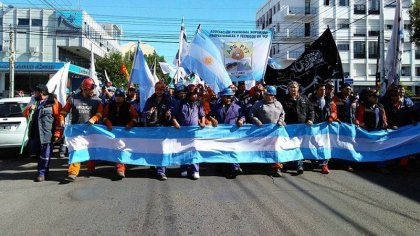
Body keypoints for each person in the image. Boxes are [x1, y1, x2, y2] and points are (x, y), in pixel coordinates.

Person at [60, 78, 103, 182]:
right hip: (76, 130)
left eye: (93, 89)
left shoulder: (97, 100)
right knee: (76, 150)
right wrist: (62, 120)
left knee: (90, 150)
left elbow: (100, 113)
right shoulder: (73, 99)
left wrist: (94, 118)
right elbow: (64, 112)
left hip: (91, 131)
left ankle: (91, 168)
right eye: (91, 89)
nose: (93, 91)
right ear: (84, 89)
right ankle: (73, 172)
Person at [23, 84, 62, 182]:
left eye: (35, 91)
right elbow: (24, 113)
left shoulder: (54, 103)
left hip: (47, 135)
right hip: (34, 135)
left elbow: (59, 119)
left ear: (41, 92)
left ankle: (42, 173)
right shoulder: (34, 101)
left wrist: (57, 133)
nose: (33, 93)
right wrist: (29, 109)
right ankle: (42, 171)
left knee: (45, 155)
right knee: (36, 154)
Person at [249, 85, 286, 177]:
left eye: (268, 94)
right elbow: (251, 113)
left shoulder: (278, 104)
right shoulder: (259, 104)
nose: (265, 95)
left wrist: (281, 121)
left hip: (275, 131)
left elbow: (282, 114)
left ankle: (277, 167)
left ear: (273, 95)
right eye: (265, 94)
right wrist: (257, 121)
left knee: (276, 148)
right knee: (263, 147)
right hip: (263, 131)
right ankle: (261, 164)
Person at [209, 87, 245, 178]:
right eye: (226, 97)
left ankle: (235, 168)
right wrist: (212, 119)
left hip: (233, 133)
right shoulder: (216, 106)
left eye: (230, 97)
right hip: (220, 133)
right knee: (222, 150)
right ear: (222, 97)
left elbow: (243, 115)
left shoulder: (237, 107)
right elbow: (209, 114)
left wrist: (241, 120)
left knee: (232, 149)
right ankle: (223, 167)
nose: (228, 99)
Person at [171, 86, 206, 180]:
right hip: (182, 131)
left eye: (196, 94)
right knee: (183, 150)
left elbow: (202, 115)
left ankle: (195, 170)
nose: (195, 96)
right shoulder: (180, 103)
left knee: (194, 150)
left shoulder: (199, 104)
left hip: (194, 132)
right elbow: (173, 116)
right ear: (188, 94)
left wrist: (202, 122)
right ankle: (184, 168)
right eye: (193, 94)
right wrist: (175, 123)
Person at [102, 88, 138, 178]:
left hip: (124, 132)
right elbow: (104, 116)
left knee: (121, 149)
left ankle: (120, 168)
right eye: (117, 96)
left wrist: (131, 123)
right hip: (111, 132)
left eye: (120, 97)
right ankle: (118, 165)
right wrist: (107, 122)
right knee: (115, 149)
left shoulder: (129, 106)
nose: (118, 98)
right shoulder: (109, 105)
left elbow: (135, 117)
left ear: (123, 97)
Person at [281, 81, 314, 175]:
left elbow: (311, 110)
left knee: (300, 145)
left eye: (294, 87)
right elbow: (280, 112)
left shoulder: (304, 98)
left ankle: (300, 165)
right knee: (291, 145)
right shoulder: (284, 99)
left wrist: (310, 120)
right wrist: (282, 120)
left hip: (302, 127)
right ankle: (291, 162)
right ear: (288, 89)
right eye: (291, 87)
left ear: (298, 88)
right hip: (289, 127)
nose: (293, 89)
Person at [143, 81, 172, 180]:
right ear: (155, 90)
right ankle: (152, 166)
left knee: (162, 150)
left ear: (164, 90)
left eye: (161, 90)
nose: (159, 91)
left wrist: (168, 115)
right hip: (152, 128)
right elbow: (143, 114)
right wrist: (148, 113)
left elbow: (171, 113)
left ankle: (161, 171)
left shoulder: (168, 100)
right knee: (152, 149)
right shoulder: (150, 100)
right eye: (157, 89)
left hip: (163, 128)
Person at [356, 89, 389, 173]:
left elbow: (384, 118)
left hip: (379, 131)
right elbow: (360, 119)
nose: (376, 98)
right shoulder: (362, 106)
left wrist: (385, 124)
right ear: (368, 97)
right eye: (374, 97)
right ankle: (365, 165)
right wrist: (364, 130)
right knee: (366, 149)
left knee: (380, 149)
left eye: (377, 97)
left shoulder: (380, 107)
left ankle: (381, 166)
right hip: (367, 132)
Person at [308, 83, 338, 174]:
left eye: (324, 89)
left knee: (325, 145)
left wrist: (331, 117)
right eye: (321, 89)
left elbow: (334, 111)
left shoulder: (329, 101)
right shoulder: (310, 100)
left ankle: (324, 165)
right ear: (316, 90)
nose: (323, 91)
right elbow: (308, 111)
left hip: (326, 127)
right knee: (314, 144)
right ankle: (315, 160)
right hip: (314, 126)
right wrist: (310, 120)